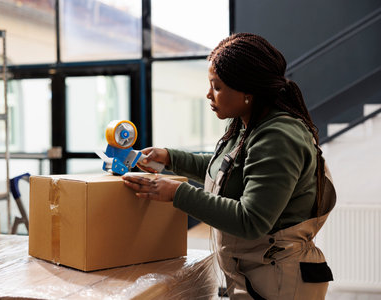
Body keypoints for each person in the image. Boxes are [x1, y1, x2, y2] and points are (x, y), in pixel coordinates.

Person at [122, 32, 336, 300]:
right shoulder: (246, 126)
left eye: (218, 86)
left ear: (248, 90)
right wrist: (170, 157)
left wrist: (177, 193)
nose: (209, 94)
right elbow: (225, 173)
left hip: (281, 282)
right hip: (257, 274)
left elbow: (252, 220)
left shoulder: (278, 136)